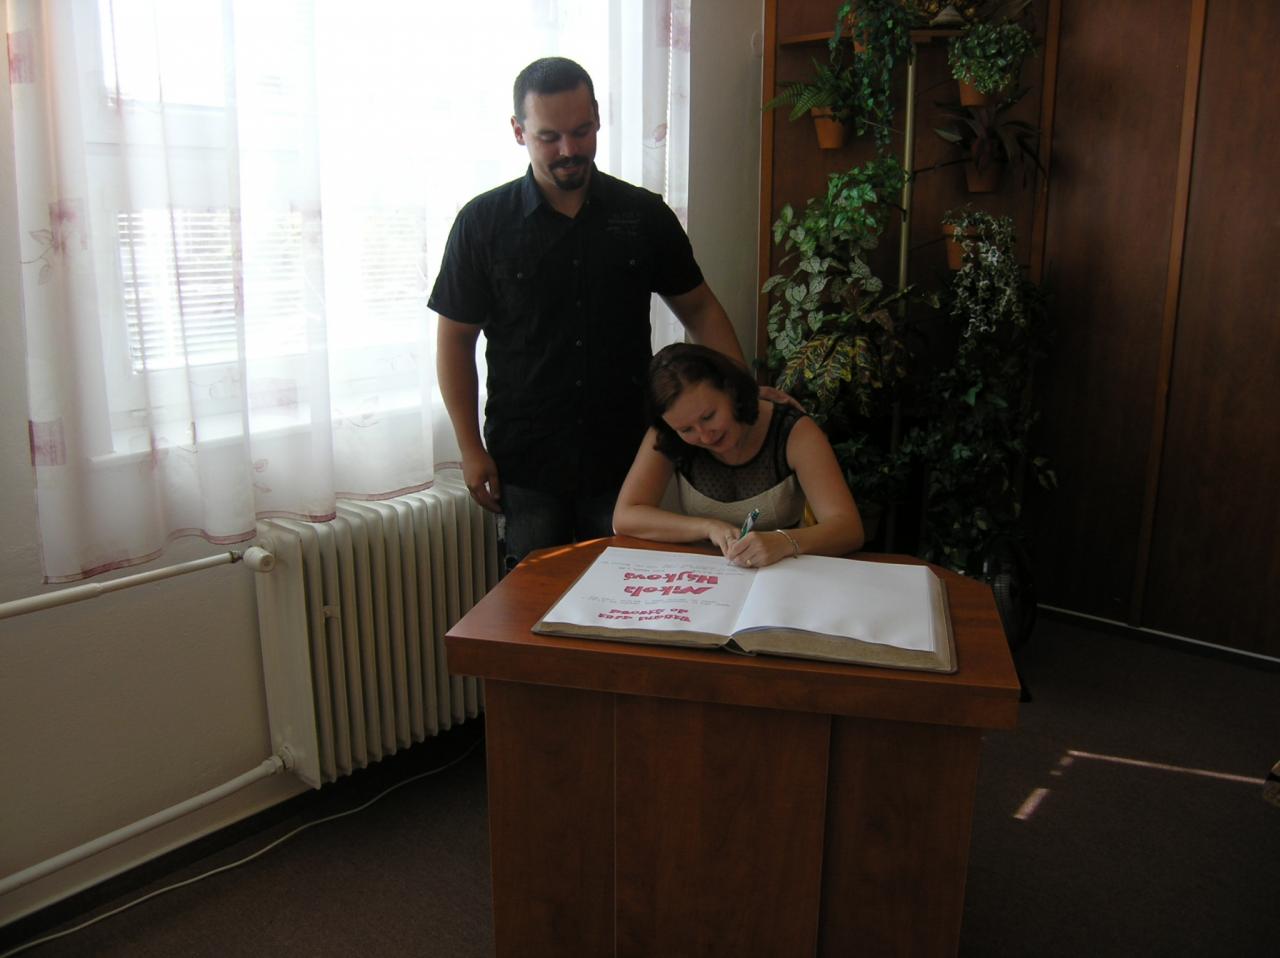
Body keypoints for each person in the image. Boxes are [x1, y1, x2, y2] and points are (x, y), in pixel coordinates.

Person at [430, 56, 754, 572]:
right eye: (549, 137)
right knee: (535, 603)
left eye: (581, 131)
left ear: (598, 117)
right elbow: (454, 340)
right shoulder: (482, 224)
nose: (569, 149)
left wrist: (742, 397)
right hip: (528, 462)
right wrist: (470, 448)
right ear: (518, 131)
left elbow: (700, 310)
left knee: (628, 594)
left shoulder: (643, 215)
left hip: (625, 457)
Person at [613, 343, 865, 568]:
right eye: (686, 430)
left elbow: (848, 529)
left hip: (784, 572)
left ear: (731, 390)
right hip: (705, 575)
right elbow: (625, 517)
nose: (705, 436)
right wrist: (708, 527)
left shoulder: (793, 431)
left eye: (708, 416)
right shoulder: (668, 434)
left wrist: (783, 542)